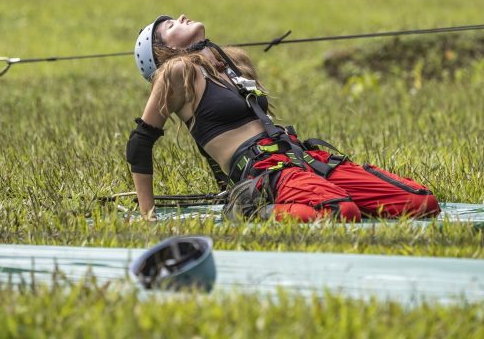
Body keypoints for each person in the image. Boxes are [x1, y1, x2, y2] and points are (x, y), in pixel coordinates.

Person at [126, 14, 441, 222]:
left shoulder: (232, 61)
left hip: (299, 157)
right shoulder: (175, 74)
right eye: (168, 27)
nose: (179, 18)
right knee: (341, 211)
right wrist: (148, 215)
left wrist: (222, 184)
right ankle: (252, 211)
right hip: (263, 172)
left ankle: (299, 197)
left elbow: (210, 136)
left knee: (422, 204)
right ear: (165, 53)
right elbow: (140, 143)